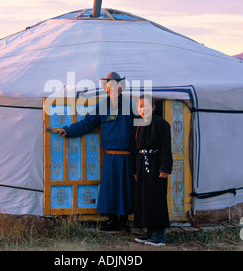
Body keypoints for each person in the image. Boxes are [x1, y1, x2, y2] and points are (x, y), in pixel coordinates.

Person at [59, 72, 134, 231]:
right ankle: (112, 221)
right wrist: (69, 130)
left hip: (127, 156)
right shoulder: (102, 105)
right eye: (109, 86)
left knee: (125, 189)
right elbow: (88, 123)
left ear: (120, 87)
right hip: (109, 155)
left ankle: (124, 222)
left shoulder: (131, 105)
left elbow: (141, 127)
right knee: (110, 188)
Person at [131, 95, 173, 246]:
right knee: (145, 199)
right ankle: (149, 233)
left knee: (156, 199)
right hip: (142, 165)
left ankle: (159, 236)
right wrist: (135, 170)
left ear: (153, 108)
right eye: (140, 106)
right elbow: (134, 149)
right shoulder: (138, 124)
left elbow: (166, 148)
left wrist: (164, 168)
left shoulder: (161, 124)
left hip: (156, 165)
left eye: (146, 106)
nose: (143, 109)